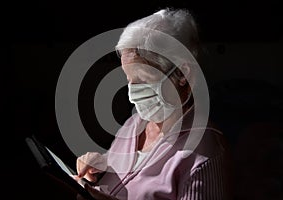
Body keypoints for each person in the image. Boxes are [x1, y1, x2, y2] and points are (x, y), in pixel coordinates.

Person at [74, 7, 233, 200]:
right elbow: (128, 173)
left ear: (183, 74)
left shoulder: (204, 154)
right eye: (128, 78)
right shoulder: (134, 125)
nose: (132, 92)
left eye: (142, 79)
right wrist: (100, 164)